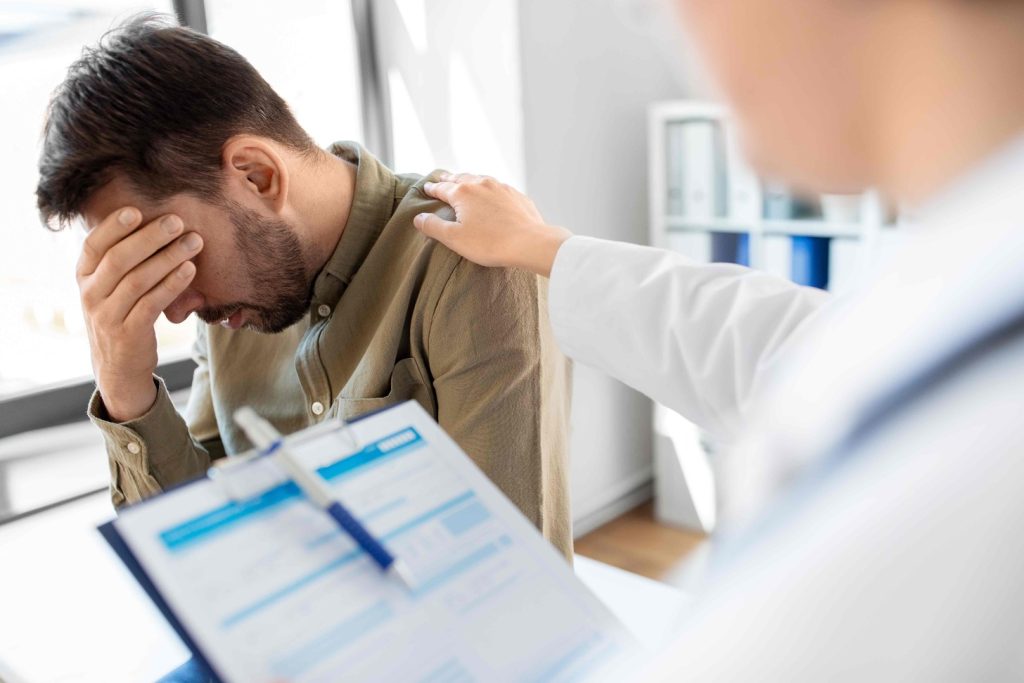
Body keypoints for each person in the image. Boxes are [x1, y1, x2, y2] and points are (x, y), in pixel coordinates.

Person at [413, 0, 1024, 678]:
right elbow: (779, 344)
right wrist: (545, 247)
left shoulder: (977, 448)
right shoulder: (960, 275)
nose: (678, 31)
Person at [35, 16, 573, 559]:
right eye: (141, 268)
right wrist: (125, 387)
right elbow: (196, 547)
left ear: (257, 176)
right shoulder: (229, 302)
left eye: (169, 253)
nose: (174, 310)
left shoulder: (471, 263)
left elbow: (514, 584)